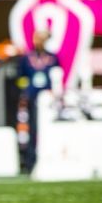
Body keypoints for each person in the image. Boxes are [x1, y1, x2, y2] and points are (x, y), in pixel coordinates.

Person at [16, 30, 61, 174]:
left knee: (48, 130)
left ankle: (50, 158)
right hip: (32, 99)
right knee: (32, 129)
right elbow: (21, 78)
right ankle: (30, 162)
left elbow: (56, 77)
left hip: (47, 101)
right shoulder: (27, 58)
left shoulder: (52, 58)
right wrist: (25, 93)